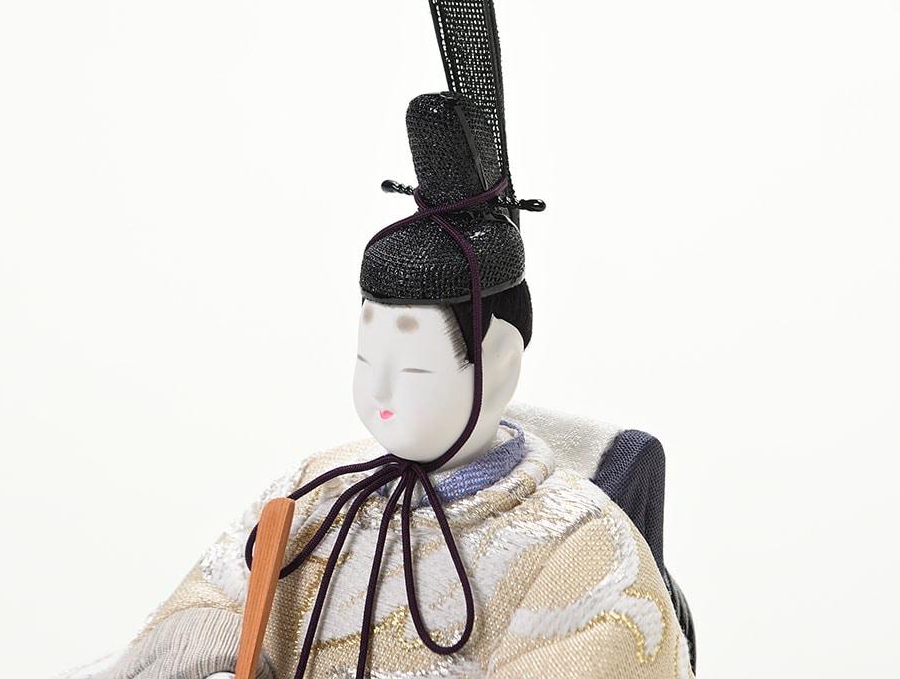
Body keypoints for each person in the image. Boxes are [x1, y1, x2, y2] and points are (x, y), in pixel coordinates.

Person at [59, 94, 695, 679]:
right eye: (366, 360)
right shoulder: (317, 491)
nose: (379, 391)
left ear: (499, 363)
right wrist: (217, 665)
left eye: (414, 369)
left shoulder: (578, 543)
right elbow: (216, 599)